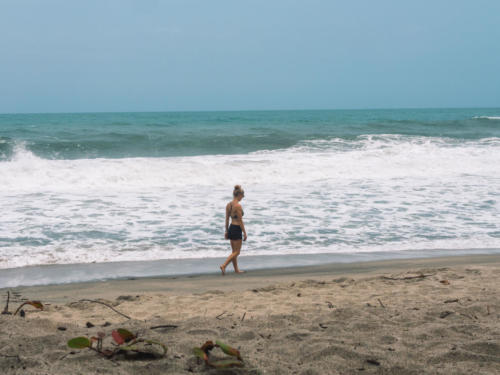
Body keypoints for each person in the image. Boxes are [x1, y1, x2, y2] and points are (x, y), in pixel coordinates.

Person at [220, 185, 247, 275]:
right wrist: (244, 232)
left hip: (231, 228)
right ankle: (224, 265)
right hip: (236, 228)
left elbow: (227, 219)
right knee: (237, 252)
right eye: (242, 196)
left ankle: (236, 270)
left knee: (233, 252)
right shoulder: (238, 206)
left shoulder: (229, 205)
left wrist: (227, 231)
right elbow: (240, 220)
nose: (242, 198)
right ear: (239, 195)